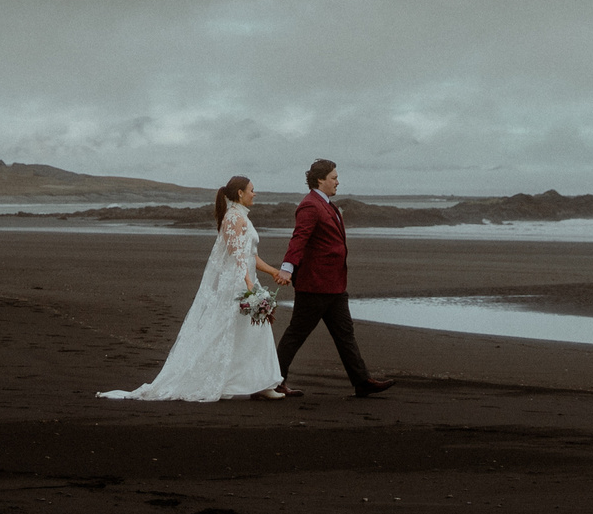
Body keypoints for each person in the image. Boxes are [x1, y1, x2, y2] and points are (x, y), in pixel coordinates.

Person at [99, 175, 295, 402]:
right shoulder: (233, 218)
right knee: (226, 330)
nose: (255, 193)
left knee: (255, 330)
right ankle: (233, 380)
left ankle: (261, 383)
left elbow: (251, 255)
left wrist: (271, 271)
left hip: (245, 280)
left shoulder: (242, 217)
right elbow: (236, 254)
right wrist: (249, 283)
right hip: (236, 284)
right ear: (240, 193)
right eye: (252, 189)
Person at [275, 158, 394, 398]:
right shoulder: (310, 205)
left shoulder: (327, 204)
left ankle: (362, 382)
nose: (338, 182)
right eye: (334, 178)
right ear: (320, 180)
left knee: (344, 333)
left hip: (335, 285)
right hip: (315, 285)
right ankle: (274, 380)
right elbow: (299, 238)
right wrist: (287, 267)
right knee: (296, 334)